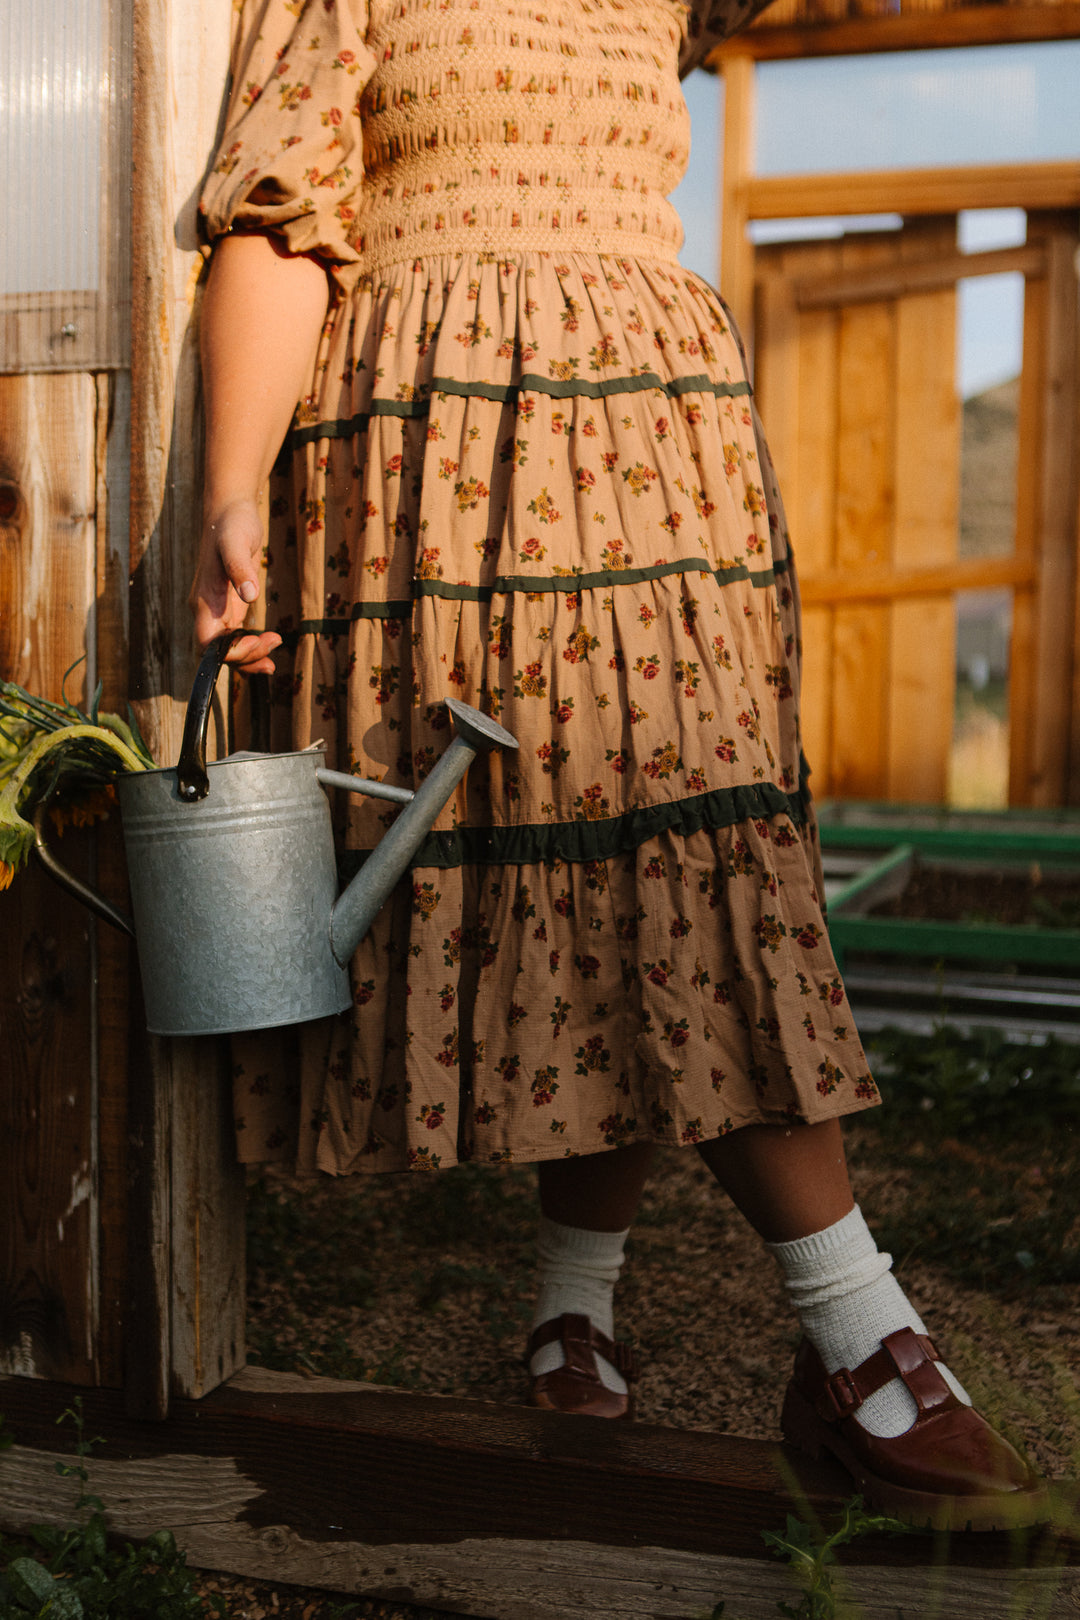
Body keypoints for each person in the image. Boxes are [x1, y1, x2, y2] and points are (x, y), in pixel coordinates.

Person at [189, 0, 1043, 1530]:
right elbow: (280, 219)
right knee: (591, 858)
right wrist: (232, 491)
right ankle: (791, 1339)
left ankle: (810, 1335)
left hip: (660, 439)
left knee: (684, 842)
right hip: (445, 449)